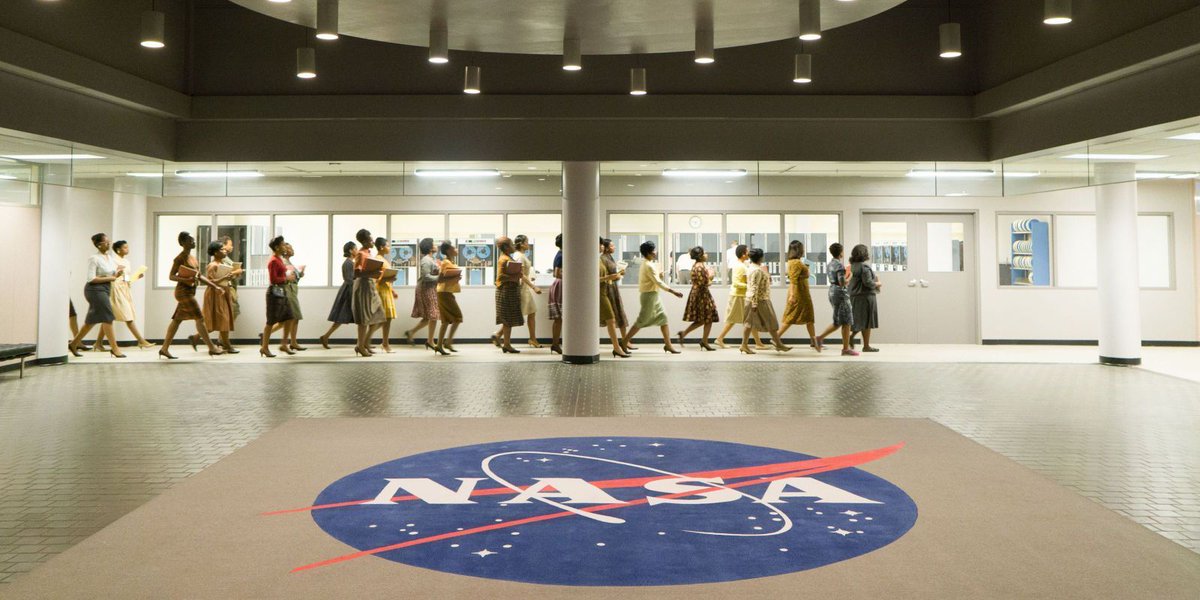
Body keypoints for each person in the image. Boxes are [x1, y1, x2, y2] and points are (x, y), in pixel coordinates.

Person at [159, 231, 223, 359]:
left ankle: (164, 349)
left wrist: (214, 286)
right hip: (183, 292)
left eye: (193, 240)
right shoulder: (180, 258)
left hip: (190, 291)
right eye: (190, 240)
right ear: (183, 243)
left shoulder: (193, 258)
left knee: (177, 320)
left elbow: (199, 276)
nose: (193, 242)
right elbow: (171, 276)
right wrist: (185, 279)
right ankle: (211, 347)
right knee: (200, 318)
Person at [68, 233, 126, 358]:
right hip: (94, 290)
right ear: (99, 245)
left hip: (105, 289)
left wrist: (117, 273)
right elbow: (91, 279)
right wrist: (111, 277)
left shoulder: (109, 258)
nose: (109, 243)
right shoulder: (94, 258)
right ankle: (115, 348)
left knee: (91, 321)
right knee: (108, 317)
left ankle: (73, 344)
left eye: (109, 241)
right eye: (106, 242)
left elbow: (111, 275)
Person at [622, 241, 683, 354]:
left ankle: (668, 345)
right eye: (654, 250)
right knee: (641, 321)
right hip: (649, 296)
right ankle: (624, 342)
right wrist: (673, 291)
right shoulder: (649, 265)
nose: (656, 252)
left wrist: (659, 276)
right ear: (649, 253)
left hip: (653, 295)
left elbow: (654, 280)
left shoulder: (647, 263)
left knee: (663, 318)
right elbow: (658, 282)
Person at [742, 248, 791, 354]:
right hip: (760, 300)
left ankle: (744, 345)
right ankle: (778, 344)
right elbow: (755, 287)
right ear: (760, 258)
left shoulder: (750, 268)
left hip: (750, 299)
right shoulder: (757, 270)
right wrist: (755, 303)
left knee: (749, 323)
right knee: (771, 322)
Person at [714, 244, 763, 348]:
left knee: (748, 319)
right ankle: (720, 339)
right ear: (743, 254)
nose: (749, 253)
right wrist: (749, 286)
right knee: (737, 319)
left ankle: (758, 343)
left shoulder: (742, 264)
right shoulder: (739, 266)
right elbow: (736, 283)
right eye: (747, 251)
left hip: (741, 295)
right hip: (738, 296)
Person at [498, 234, 543, 348]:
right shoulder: (518, 256)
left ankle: (532, 339)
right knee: (514, 315)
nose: (528, 244)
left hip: (523, 287)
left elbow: (521, 273)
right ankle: (499, 336)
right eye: (526, 242)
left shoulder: (519, 256)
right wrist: (533, 286)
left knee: (529, 313)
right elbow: (519, 274)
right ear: (522, 244)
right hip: (521, 288)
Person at [107, 240, 153, 348]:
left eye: (127, 247)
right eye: (125, 247)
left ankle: (98, 343)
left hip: (125, 289)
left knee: (109, 317)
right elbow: (114, 276)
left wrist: (136, 277)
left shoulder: (127, 262)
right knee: (127, 315)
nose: (127, 249)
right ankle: (141, 340)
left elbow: (125, 278)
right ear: (118, 250)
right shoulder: (113, 261)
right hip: (116, 289)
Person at [815, 243, 858, 356]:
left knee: (838, 321)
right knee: (847, 321)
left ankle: (820, 338)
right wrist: (850, 275)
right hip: (840, 294)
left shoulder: (830, 264)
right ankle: (845, 349)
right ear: (840, 253)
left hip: (832, 291)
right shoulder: (839, 266)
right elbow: (842, 282)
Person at [777, 240, 819, 351]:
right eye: (802, 248)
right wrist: (792, 295)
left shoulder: (793, 262)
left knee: (809, 317)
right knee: (791, 317)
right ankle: (776, 337)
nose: (803, 250)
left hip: (803, 293)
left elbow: (795, 277)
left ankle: (814, 342)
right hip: (799, 294)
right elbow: (793, 281)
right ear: (798, 250)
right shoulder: (796, 263)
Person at [351, 229, 386, 357]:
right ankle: (360, 346)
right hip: (363, 286)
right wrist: (372, 273)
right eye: (371, 240)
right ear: (365, 241)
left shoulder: (369, 253)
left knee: (380, 315)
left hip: (371, 285)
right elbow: (356, 273)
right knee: (364, 318)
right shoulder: (360, 254)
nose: (373, 242)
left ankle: (364, 343)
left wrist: (378, 274)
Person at [677, 246, 718, 351]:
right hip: (701, 295)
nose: (706, 255)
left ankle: (698, 338)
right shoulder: (699, 267)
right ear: (700, 256)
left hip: (701, 294)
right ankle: (703, 341)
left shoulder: (698, 265)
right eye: (704, 253)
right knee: (707, 318)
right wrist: (711, 277)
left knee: (705, 319)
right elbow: (703, 283)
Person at [260, 235, 295, 357]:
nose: (285, 246)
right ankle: (264, 347)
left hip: (282, 291)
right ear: (276, 247)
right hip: (274, 293)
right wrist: (287, 278)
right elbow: (273, 279)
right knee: (271, 321)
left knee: (289, 317)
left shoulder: (279, 259)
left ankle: (284, 344)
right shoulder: (273, 261)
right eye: (282, 244)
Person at [320, 242, 359, 349]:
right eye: (355, 249)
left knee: (342, 318)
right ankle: (362, 343)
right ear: (350, 250)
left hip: (349, 290)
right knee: (343, 317)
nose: (357, 250)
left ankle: (326, 336)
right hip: (348, 292)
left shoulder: (350, 263)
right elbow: (349, 279)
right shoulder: (348, 263)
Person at [202, 241, 238, 353]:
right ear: (216, 252)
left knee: (224, 319)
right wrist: (225, 277)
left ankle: (226, 344)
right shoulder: (212, 265)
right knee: (221, 319)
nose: (225, 251)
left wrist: (230, 277)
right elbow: (210, 281)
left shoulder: (223, 264)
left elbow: (224, 278)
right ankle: (226, 345)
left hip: (223, 292)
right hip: (215, 294)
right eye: (222, 249)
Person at [405, 238, 440, 350]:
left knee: (429, 316)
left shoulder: (430, 259)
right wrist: (440, 277)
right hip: (426, 289)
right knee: (433, 314)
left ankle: (412, 332)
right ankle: (430, 341)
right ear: (430, 248)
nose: (436, 245)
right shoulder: (426, 260)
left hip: (430, 288)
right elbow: (426, 277)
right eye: (434, 244)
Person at [600, 238, 634, 351]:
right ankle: (620, 344)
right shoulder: (603, 259)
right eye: (612, 246)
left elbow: (614, 274)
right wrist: (615, 275)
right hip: (608, 289)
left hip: (613, 287)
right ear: (606, 248)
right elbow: (608, 275)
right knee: (613, 316)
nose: (614, 247)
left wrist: (620, 273)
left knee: (620, 313)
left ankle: (625, 340)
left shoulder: (609, 258)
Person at [848, 243, 882, 352]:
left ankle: (852, 337)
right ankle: (866, 346)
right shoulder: (864, 267)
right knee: (867, 322)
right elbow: (868, 283)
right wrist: (878, 283)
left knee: (859, 320)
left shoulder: (852, 266)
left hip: (854, 296)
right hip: (865, 297)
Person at [435, 241, 463, 355]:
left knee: (446, 321)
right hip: (444, 293)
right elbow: (440, 279)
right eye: (454, 248)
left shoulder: (450, 262)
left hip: (446, 292)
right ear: (448, 250)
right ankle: (447, 342)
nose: (456, 250)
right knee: (458, 317)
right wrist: (454, 279)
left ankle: (440, 345)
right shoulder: (446, 262)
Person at [374, 237, 399, 353]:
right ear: (381, 247)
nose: (389, 248)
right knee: (384, 318)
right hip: (381, 290)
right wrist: (388, 278)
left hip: (386, 290)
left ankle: (384, 343)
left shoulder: (383, 260)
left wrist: (392, 290)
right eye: (387, 246)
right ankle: (382, 343)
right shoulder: (377, 260)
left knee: (387, 318)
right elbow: (375, 279)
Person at [548, 234, 563, 355]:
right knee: (559, 317)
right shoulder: (561, 255)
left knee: (559, 318)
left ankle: (555, 344)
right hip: (561, 285)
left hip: (559, 285)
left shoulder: (560, 254)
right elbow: (556, 273)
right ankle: (555, 344)